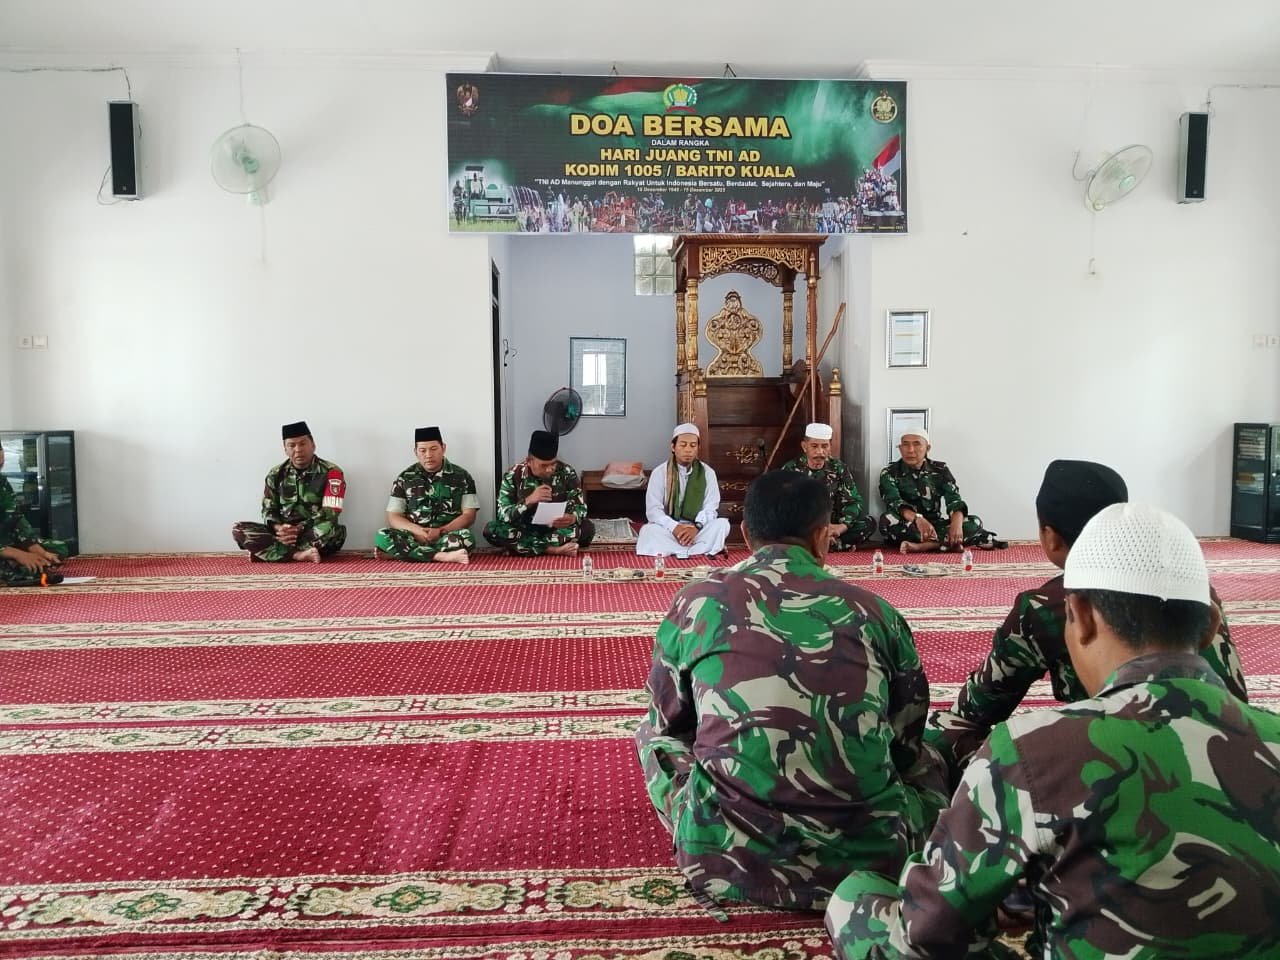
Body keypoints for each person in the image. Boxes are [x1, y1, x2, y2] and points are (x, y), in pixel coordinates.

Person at [826, 501, 1280, 959]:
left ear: (1079, 616)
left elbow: (927, 931)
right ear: (1210, 627)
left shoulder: (1034, 751)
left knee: (856, 899)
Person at [635, 470, 947, 912]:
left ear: (746, 534)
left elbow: (670, 718)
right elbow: (906, 741)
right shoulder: (875, 612)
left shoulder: (697, 602)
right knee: (935, 753)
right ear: (822, 537)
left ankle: (713, 829)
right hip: (871, 854)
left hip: (727, 858)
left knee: (652, 736)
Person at [928, 459, 1248, 784]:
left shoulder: (1048, 606)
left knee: (942, 733)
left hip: (1112, 766)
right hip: (1234, 753)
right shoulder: (1194, 588)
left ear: (1050, 536)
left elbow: (973, 711)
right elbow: (1238, 700)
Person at [231, 421, 347, 563]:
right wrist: (279, 528)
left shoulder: (332, 472)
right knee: (239, 529)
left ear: (313, 445)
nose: (298, 449)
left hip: (312, 531)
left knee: (331, 530)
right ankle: (297, 554)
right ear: (285, 450)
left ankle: (271, 551)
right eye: (292, 445)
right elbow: (268, 510)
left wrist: (299, 528)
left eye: (302, 444)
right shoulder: (275, 474)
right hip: (283, 533)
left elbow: (331, 511)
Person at [374, 426, 479, 564]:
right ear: (415, 452)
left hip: (445, 536)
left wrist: (441, 531)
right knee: (382, 535)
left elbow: (469, 515)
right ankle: (441, 556)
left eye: (433, 449)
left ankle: (404, 554)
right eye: (422, 450)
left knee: (467, 538)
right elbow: (393, 516)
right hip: (413, 536)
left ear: (443, 448)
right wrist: (418, 531)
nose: (428, 455)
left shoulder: (462, 476)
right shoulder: (405, 477)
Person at [482, 429, 593, 556]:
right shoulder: (513, 475)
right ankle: (551, 549)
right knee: (492, 529)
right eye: (544, 465)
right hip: (524, 530)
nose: (549, 469)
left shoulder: (567, 472)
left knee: (587, 528)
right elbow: (503, 515)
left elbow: (581, 507)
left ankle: (524, 547)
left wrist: (573, 517)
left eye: (553, 464)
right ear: (529, 461)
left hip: (555, 530)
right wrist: (528, 501)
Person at [879, 428, 990, 553]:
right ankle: (946, 543)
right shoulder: (889, 472)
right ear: (900, 448)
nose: (910, 450)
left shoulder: (940, 470)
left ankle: (927, 546)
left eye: (916, 444)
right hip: (909, 524)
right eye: (905, 444)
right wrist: (918, 519)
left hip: (936, 526)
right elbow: (894, 502)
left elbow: (954, 500)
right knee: (886, 520)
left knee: (974, 522)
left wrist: (957, 525)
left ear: (927, 448)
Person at [635, 423, 730, 559]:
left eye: (693, 445)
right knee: (648, 531)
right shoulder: (660, 473)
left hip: (697, 530)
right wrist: (675, 527)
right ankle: (699, 549)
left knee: (722, 525)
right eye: (683, 445)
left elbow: (711, 508)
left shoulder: (708, 473)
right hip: (669, 529)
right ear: (673, 447)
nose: (688, 450)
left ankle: (678, 550)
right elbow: (653, 511)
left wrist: (696, 527)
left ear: (698, 448)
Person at [780, 422, 876, 551]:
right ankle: (833, 545)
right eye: (814, 446)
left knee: (869, 522)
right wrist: (814, 529)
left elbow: (853, 501)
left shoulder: (838, 468)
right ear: (804, 446)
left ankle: (825, 544)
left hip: (832, 525)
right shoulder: (790, 469)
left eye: (824, 446)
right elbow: (784, 507)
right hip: (804, 527)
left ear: (830, 447)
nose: (820, 451)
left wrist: (841, 527)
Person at [0, 444, 70, 586]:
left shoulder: (2, 482)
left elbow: (16, 518)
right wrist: (18, 554)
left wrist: (39, 551)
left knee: (57, 548)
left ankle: (16, 566)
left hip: (5, 541)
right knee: (18, 566)